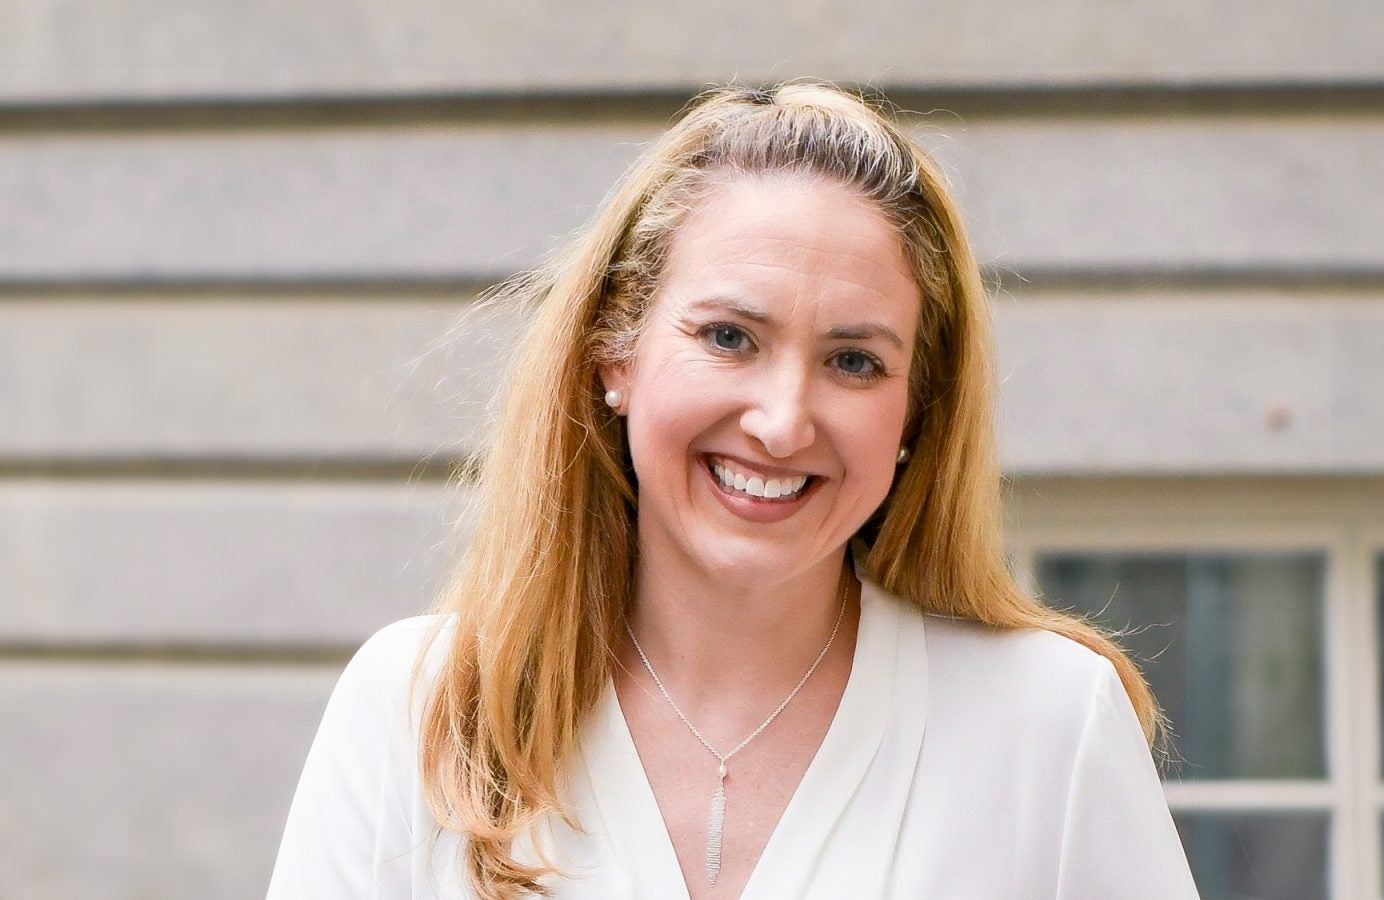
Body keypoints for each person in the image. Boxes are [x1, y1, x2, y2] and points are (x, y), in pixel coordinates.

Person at [267, 81, 1199, 899]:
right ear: (614, 354)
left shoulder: (1047, 724)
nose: (784, 421)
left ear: (917, 412)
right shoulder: (420, 708)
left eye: (854, 360)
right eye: (728, 338)